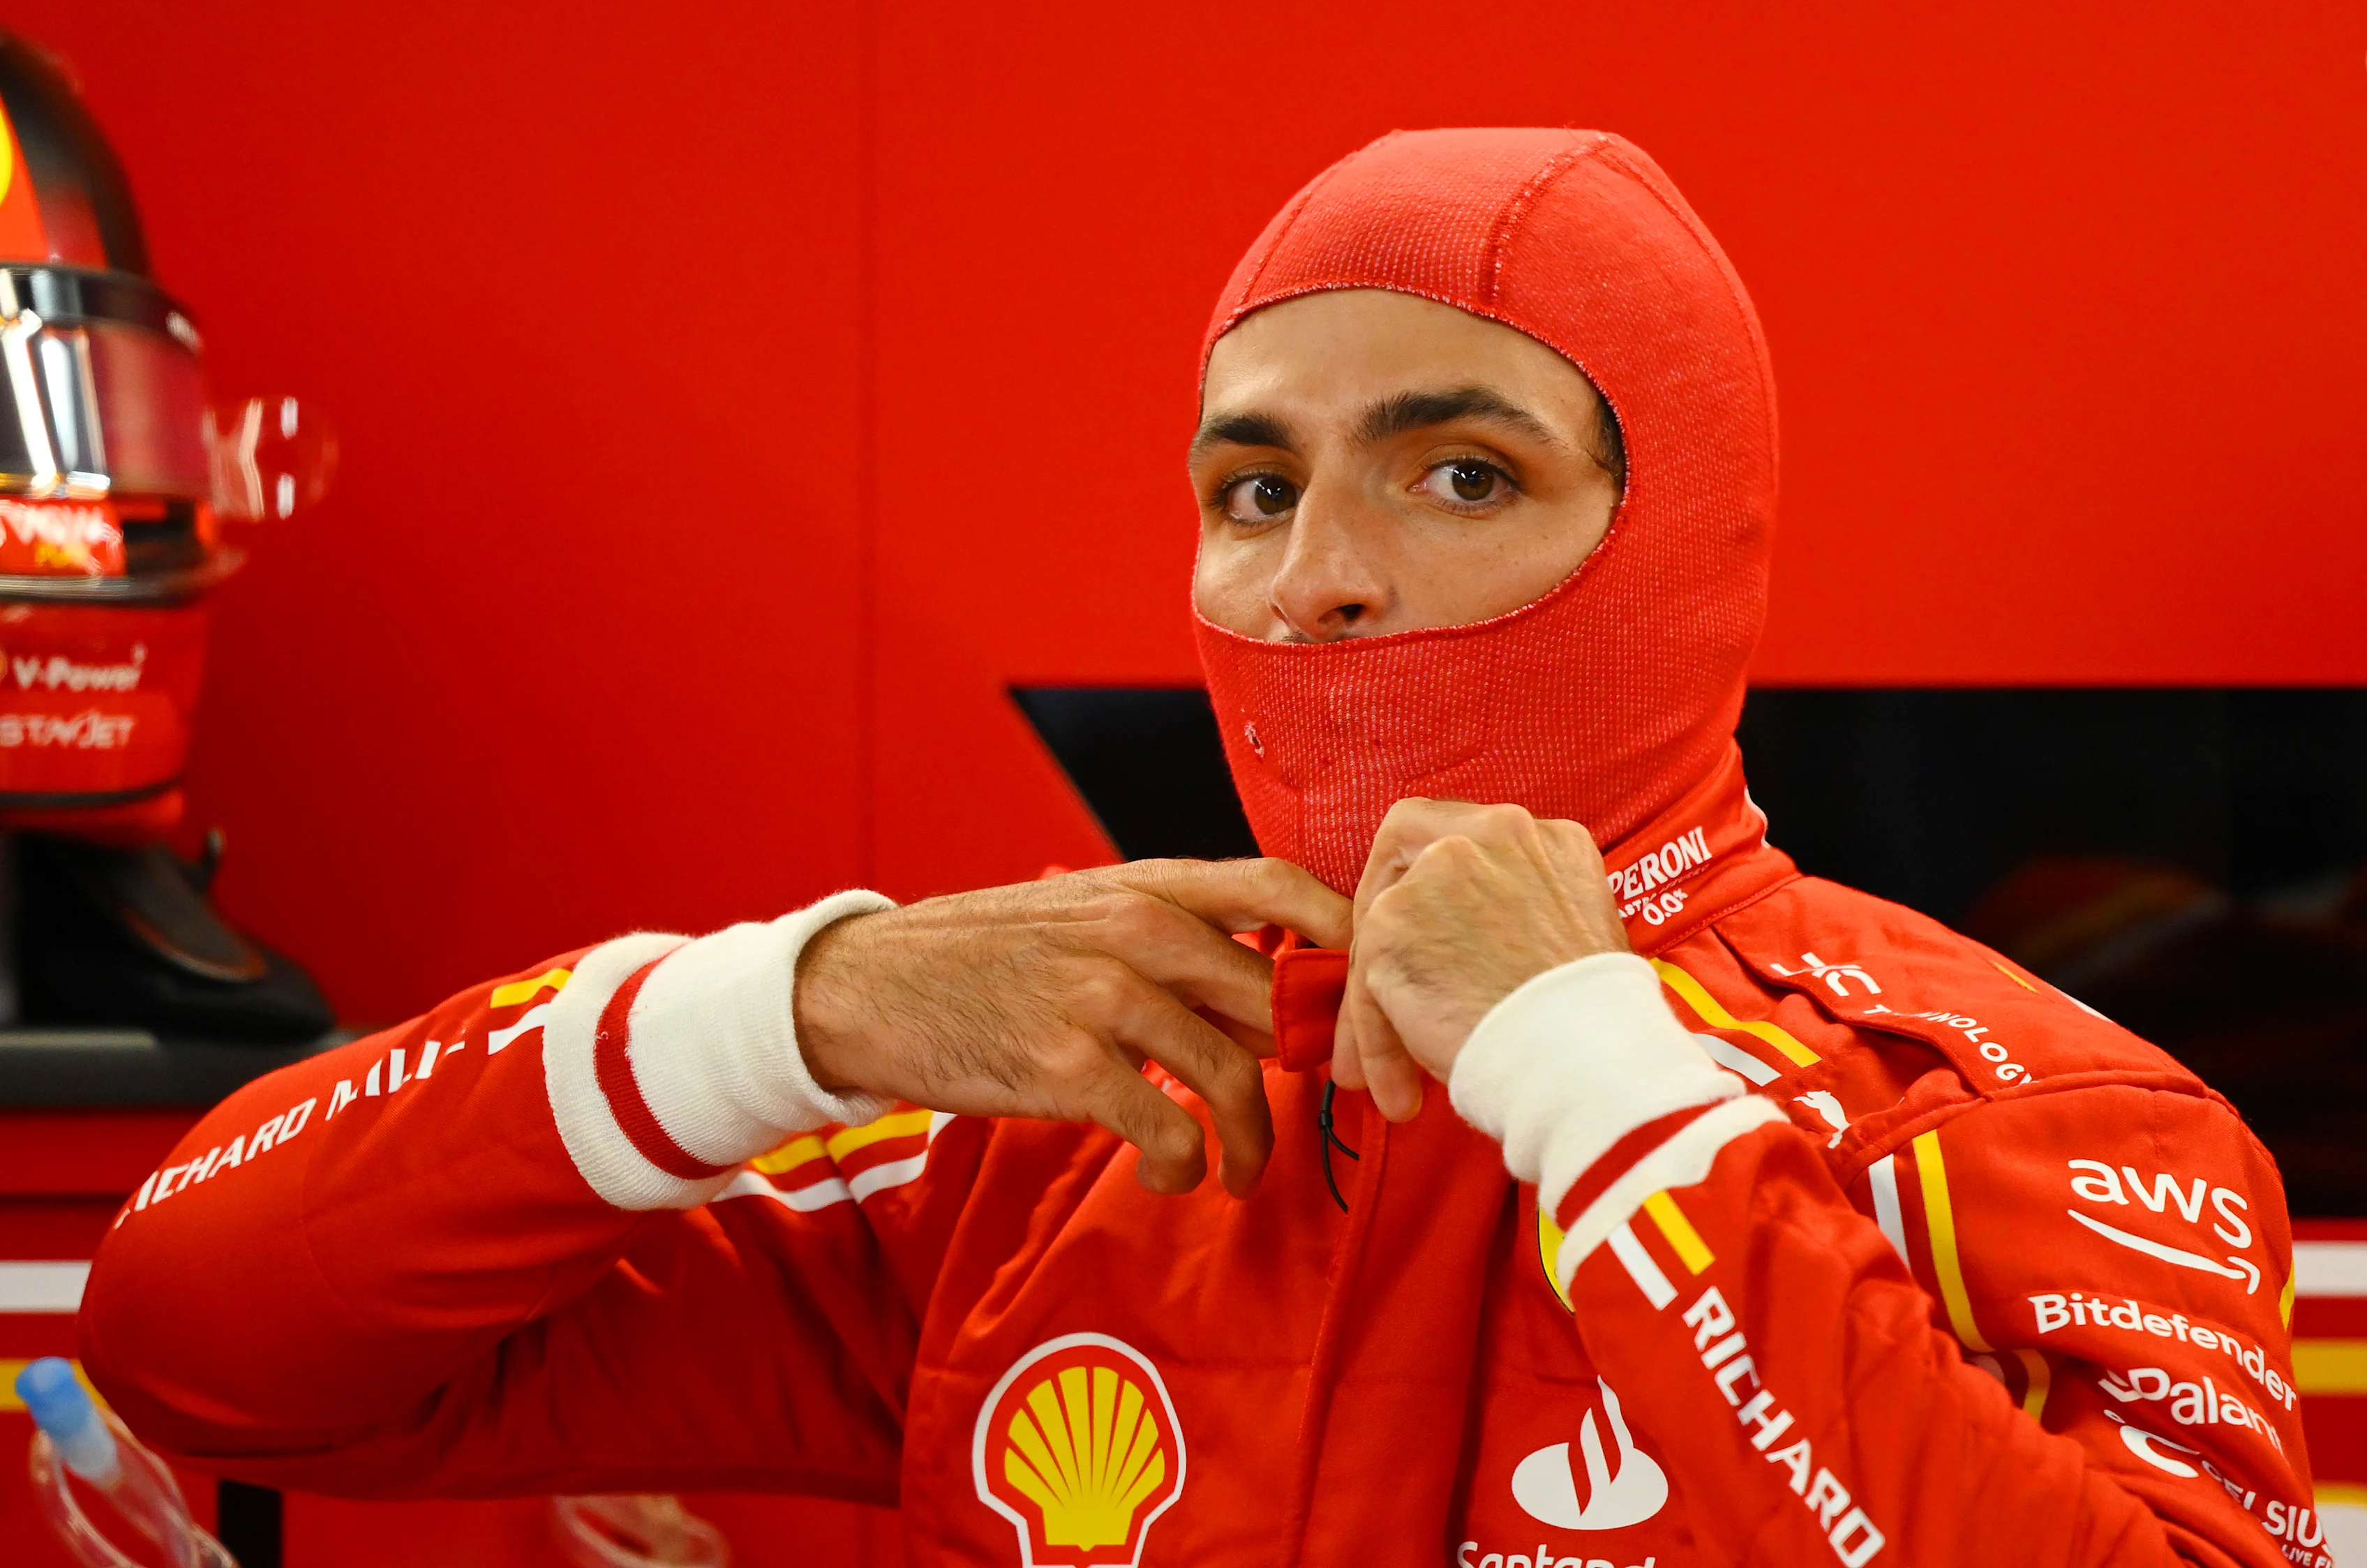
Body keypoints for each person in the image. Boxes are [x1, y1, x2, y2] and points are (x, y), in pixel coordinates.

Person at [80, 129, 2309, 1568]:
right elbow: (202, 1344)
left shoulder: (2026, 1125)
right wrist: (792, 1003)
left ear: (1681, 551)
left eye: (1454, 474)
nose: (1316, 577)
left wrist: (1604, 1094)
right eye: (1253, 490)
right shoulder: (1072, 1131)